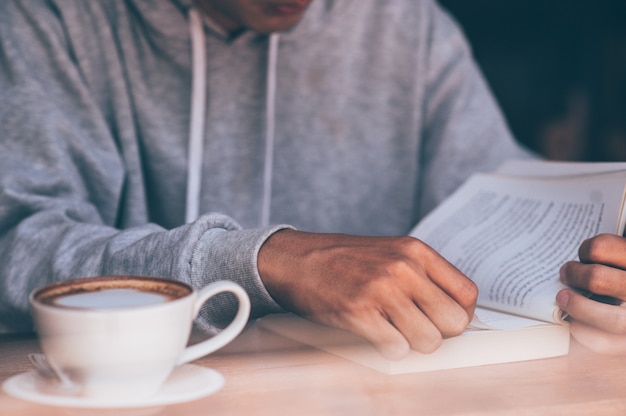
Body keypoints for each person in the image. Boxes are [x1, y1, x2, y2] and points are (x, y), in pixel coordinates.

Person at [0, 0, 621, 359]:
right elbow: (18, 243)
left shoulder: (402, 21)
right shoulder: (50, 20)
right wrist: (261, 261)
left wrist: (602, 264)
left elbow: (501, 199)